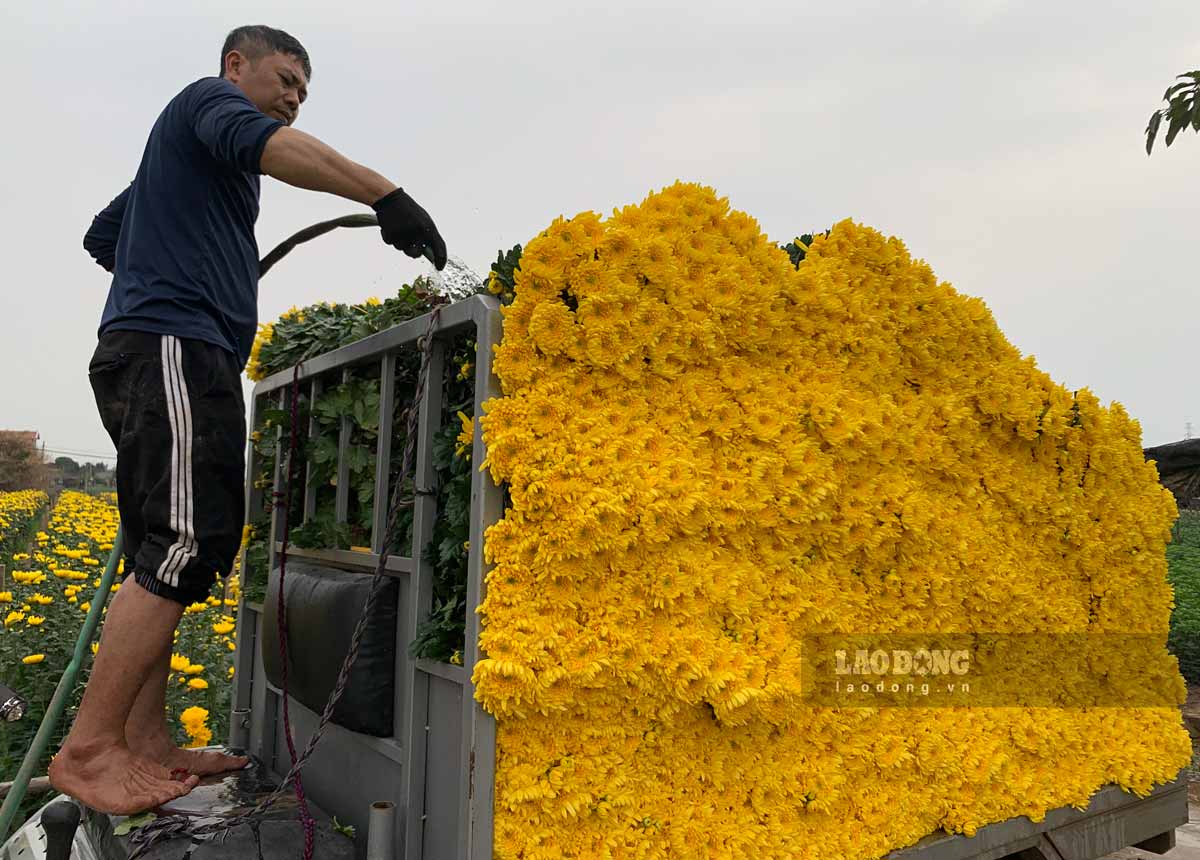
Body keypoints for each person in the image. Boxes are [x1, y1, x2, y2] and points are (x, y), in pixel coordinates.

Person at [50, 24, 446, 815]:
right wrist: (384, 194)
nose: (294, 97)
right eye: (286, 78)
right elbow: (275, 149)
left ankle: (146, 741)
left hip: (162, 346)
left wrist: (174, 250)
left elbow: (104, 234)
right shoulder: (211, 105)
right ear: (238, 66)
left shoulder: (194, 167)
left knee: (159, 549)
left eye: (304, 89)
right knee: (188, 543)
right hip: (174, 345)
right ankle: (90, 751)